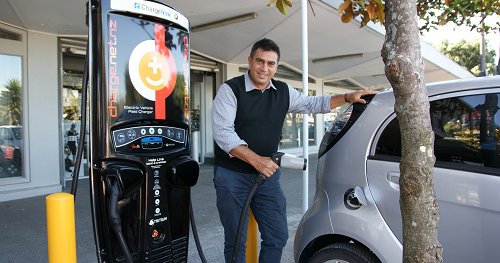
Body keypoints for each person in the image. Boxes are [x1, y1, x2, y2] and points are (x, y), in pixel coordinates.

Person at [211, 38, 376, 263]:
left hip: (266, 176)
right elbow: (223, 134)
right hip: (233, 176)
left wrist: (347, 97)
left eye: (270, 63)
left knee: (277, 236)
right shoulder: (230, 90)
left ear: (276, 66)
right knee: (236, 240)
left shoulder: (283, 91)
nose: (264, 68)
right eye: (259, 61)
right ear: (250, 61)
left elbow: (313, 103)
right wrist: (257, 160)